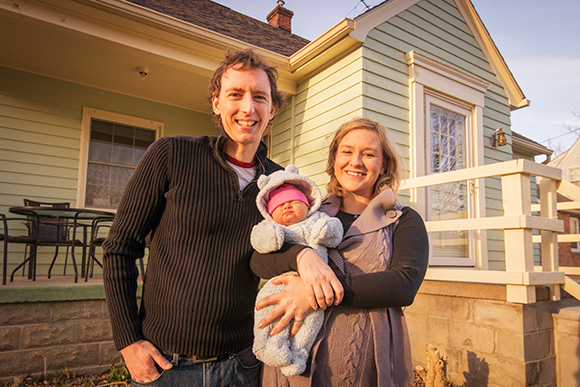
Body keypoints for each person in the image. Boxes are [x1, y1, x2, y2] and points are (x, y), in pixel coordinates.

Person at [101, 49, 345, 386]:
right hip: (166, 366)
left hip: (242, 364)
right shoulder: (171, 155)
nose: (248, 107)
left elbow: (284, 249)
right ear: (217, 103)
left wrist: (303, 257)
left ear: (272, 109)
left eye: (259, 96)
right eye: (235, 94)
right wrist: (128, 342)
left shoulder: (282, 184)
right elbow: (119, 248)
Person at [251, 117, 429, 386]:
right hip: (295, 368)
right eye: (347, 151)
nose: (355, 162)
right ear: (334, 159)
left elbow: (403, 285)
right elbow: (259, 259)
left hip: (363, 366)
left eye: (368, 154)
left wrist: (314, 291)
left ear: (384, 165)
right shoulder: (310, 211)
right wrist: (301, 255)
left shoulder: (402, 220)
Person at [251, 164, 343, 377]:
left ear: (308, 204)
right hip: (279, 284)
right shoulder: (273, 227)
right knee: (266, 310)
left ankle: (299, 353)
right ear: (270, 212)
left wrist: (325, 230)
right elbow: (259, 241)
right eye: (280, 205)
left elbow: (334, 233)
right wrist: (272, 236)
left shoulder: (317, 220)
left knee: (312, 320)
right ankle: (268, 345)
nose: (287, 206)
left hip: (315, 289)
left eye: (294, 201)